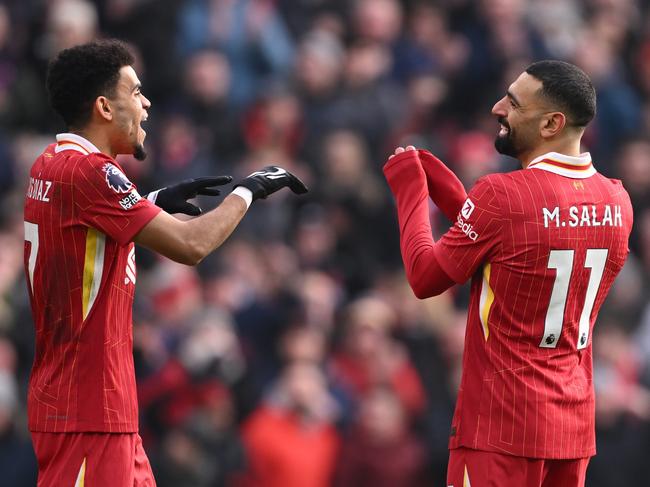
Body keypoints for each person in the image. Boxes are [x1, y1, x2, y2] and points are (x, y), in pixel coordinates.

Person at [23, 39, 307, 486]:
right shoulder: (91, 172)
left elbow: (80, 237)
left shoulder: (51, 163)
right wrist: (248, 190)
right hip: (89, 412)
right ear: (103, 107)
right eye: (135, 92)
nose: (147, 102)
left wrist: (150, 201)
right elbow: (192, 246)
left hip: (92, 407)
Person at [383, 60, 633, 487]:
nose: (498, 108)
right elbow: (517, 244)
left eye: (514, 103)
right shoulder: (617, 200)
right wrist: (455, 198)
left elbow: (425, 278)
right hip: (571, 429)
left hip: (500, 429)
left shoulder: (502, 195)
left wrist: (409, 191)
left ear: (552, 123)